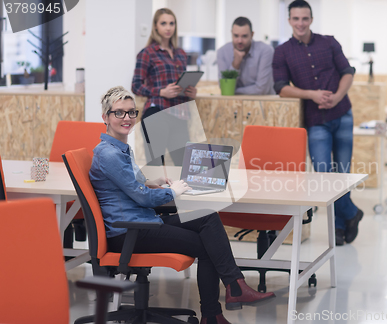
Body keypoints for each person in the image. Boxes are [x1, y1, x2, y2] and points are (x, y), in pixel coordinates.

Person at [90, 86, 275, 324]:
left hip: (141, 221)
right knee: (208, 246)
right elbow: (143, 199)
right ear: (105, 117)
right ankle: (214, 312)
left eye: (131, 112)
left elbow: (129, 183)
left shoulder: (118, 148)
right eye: (119, 113)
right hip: (130, 231)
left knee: (207, 216)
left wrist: (151, 182)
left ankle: (233, 286)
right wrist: (171, 192)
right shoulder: (110, 154)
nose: (127, 118)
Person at [272, 0, 363, 246]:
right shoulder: (282, 52)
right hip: (315, 121)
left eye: (305, 18)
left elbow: (347, 71)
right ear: (289, 20)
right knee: (324, 176)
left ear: (311, 19)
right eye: (295, 19)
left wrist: (337, 97)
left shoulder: (329, 42)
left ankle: (340, 229)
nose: (300, 23)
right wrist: (312, 94)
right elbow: (281, 88)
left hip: (343, 114)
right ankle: (352, 213)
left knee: (342, 175)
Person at [132, 8, 195, 166]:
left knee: (183, 167)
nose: (168, 27)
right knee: (156, 167)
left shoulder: (180, 53)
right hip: (157, 113)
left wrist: (190, 91)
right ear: (155, 27)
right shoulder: (147, 53)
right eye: (164, 23)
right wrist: (161, 92)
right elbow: (136, 86)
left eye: (171, 23)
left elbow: (180, 82)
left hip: (179, 115)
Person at [217, 17, 275, 95]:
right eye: (236, 36)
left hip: (263, 104)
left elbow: (262, 89)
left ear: (252, 34)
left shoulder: (265, 51)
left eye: (244, 36)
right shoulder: (222, 52)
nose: (239, 41)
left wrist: (233, 92)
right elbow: (223, 87)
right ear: (231, 33)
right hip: (233, 105)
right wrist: (236, 64)